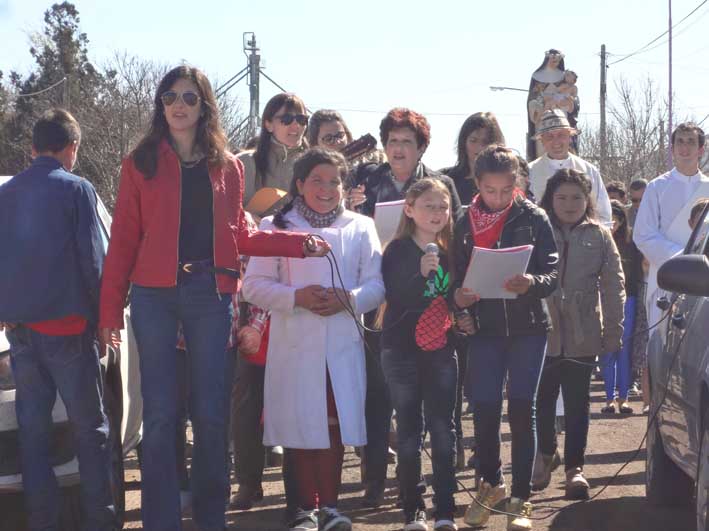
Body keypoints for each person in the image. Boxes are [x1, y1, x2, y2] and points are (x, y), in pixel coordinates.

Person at [98, 65, 329, 531]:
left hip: (211, 293)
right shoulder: (139, 162)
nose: (177, 105)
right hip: (153, 297)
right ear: (160, 106)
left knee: (211, 416)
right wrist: (109, 313)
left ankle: (209, 520)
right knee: (161, 417)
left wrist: (294, 242)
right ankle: (161, 521)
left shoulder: (228, 166)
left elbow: (239, 232)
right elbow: (123, 239)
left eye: (187, 97)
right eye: (168, 97)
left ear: (204, 105)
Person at [242, 148, 385, 531]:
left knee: (333, 426)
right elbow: (253, 287)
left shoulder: (360, 225)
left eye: (334, 181)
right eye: (317, 181)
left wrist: (349, 299)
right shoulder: (275, 226)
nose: (326, 188)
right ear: (300, 184)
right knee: (299, 426)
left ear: (345, 186)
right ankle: (305, 509)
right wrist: (295, 298)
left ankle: (332, 508)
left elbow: (376, 284)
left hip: (341, 342)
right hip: (293, 344)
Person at [0, 109, 116, 531]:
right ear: (73, 148)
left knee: (34, 432)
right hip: (68, 329)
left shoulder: (6, 193)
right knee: (91, 430)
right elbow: (92, 260)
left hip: (21, 333)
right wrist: (106, 321)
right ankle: (99, 520)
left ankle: (42, 521)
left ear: (31, 149)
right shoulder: (77, 189)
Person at [453, 146, 559, 531]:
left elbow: (551, 272)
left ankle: (521, 498)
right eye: (489, 189)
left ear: (516, 183)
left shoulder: (534, 217)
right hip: (484, 330)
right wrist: (459, 303)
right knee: (482, 410)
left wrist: (530, 282)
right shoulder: (463, 220)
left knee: (521, 409)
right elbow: (452, 274)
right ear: (477, 185)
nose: (497, 197)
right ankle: (490, 486)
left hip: (529, 327)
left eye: (504, 189)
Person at [532, 169, 625, 502]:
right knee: (540, 399)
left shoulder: (600, 235)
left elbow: (614, 286)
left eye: (576, 197)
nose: (569, 204)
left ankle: (575, 468)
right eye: (561, 197)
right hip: (541, 330)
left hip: (584, 330)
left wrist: (613, 331)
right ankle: (545, 452)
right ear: (549, 200)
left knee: (576, 402)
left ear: (588, 200)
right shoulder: (536, 230)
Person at [381, 178, 459, 531]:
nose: (437, 213)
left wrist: (465, 306)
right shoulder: (396, 250)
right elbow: (397, 298)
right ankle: (413, 508)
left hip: (441, 351)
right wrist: (420, 273)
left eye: (443, 207)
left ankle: (445, 509)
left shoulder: (450, 250)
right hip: (401, 351)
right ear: (409, 210)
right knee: (410, 434)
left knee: (444, 430)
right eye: (429, 205)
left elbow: (448, 297)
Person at [633, 123, 709, 362]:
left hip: (705, 280)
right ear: (672, 148)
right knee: (660, 347)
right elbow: (643, 234)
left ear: (701, 149)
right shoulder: (657, 186)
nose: (684, 147)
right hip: (666, 276)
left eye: (690, 142)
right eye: (680, 142)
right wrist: (682, 259)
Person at [348, 107, 462, 221]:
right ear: (385, 146)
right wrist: (352, 209)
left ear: (421, 148)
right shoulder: (366, 179)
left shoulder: (442, 184)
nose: (398, 148)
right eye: (393, 141)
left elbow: (456, 231)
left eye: (406, 141)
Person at [529, 109, 612, 225]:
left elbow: (604, 215)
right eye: (549, 137)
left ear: (569, 136)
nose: (556, 141)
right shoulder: (530, 172)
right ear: (542, 140)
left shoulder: (589, 170)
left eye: (560, 135)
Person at [600, 201, 642, 415]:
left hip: (629, 299)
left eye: (618, 218)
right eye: (610, 218)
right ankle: (608, 398)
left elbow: (637, 271)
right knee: (607, 350)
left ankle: (623, 398)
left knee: (624, 349)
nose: (614, 223)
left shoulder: (631, 240)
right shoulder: (598, 237)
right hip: (603, 300)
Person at [239, 92, 309, 205]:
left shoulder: (316, 165)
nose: (296, 125)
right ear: (268, 124)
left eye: (301, 119)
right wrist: (247, 216)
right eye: (287, 119)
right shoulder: (244, 163)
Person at [439, 112, 506, 206]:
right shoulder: (445, 179)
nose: (479, 147)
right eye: (473, 140)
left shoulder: (506, 179)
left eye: (485, 142)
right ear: (463, 142)